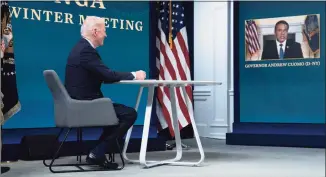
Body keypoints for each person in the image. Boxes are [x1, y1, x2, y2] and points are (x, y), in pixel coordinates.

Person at [64, 16, 146, 169]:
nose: (106, 35)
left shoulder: (81, 48)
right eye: (104, 31)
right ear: (95, 31)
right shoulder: (85, 51)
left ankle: (97, 152)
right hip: (85, 105)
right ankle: (97, 153)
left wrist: (114, 75)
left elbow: (104, 76)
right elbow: (108, 75)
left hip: (79, 103)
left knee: (117, 114)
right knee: (129, 114)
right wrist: (135, 74)